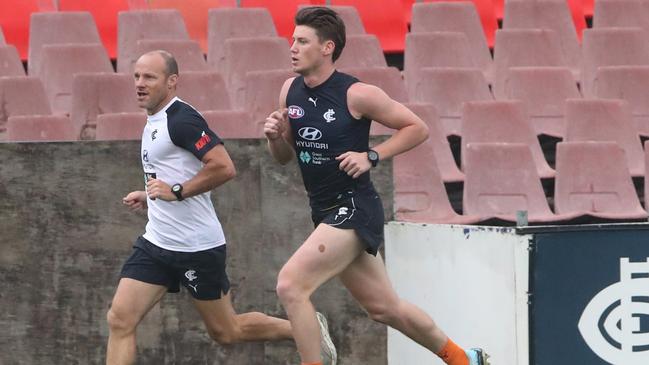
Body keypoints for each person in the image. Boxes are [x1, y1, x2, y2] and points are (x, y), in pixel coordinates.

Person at [264, 7, 489, 365]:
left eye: (302, 41)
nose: (292, 47)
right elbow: (283, 157)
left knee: (291, 285)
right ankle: (463, 358)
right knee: (386, 309)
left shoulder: (357, 94)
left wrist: (371, 155)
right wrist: (276, 137)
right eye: (293, 39)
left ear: (327, 48)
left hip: (354, 207)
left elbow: (417, 127)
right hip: (324, 210)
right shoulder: (289, 90)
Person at [106, 50, 336, 365]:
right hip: (156, 242)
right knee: (120, 319)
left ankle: (305, 327)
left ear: (172, 82)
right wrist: (151, 195)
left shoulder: (182, 119)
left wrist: (177, 191)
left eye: (149, 77)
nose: (140, 84)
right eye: (136, 76)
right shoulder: (154, 121)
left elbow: (224, 167)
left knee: (227, 331)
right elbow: (174, 171)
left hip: (195, 247)